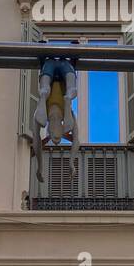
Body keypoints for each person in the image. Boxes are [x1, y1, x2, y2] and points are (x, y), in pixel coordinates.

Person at [31, 51, 80, 184]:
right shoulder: (67, 114)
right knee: (71, 91)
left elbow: (36, 141)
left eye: (53, 135)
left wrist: (39, 166)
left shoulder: (41, 114)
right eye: (59, 135)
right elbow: (76, 140)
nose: (55, 130)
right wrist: (71, 162)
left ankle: (44, 94)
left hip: (48, 69)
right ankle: (65, 95)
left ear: (49, 130)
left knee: (44, 90)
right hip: (66, 71)